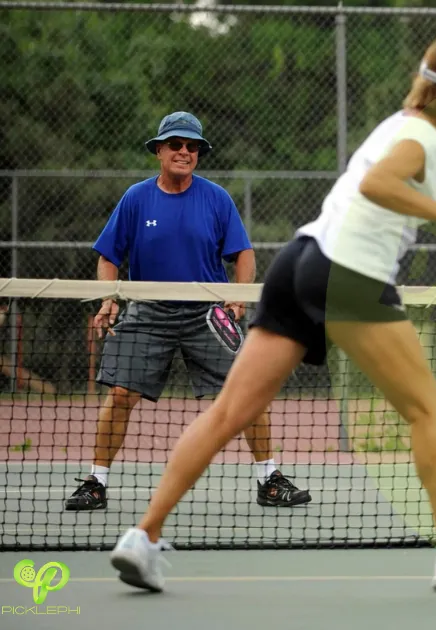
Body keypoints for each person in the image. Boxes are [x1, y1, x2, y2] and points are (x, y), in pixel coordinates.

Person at [108, 34, 436, 595]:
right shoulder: (415, 139)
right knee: (426, 410)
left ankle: (142, 538)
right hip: (351, 276)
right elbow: (379, 182)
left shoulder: (404, 127)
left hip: (299, 263)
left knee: (228, 414)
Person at [68, 111, 310, 512]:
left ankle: (269, 480)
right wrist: (107, 297)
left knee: (248, 392)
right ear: (160, 150)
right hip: (147, 311)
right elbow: (108, 256)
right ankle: (95, 482)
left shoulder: (216, 198)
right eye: (176, 144)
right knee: (121, 394)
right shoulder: (136, 198)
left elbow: (243, 254)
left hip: (206, 316)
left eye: (192, 146)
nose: (184, 152)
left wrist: (237, 296)